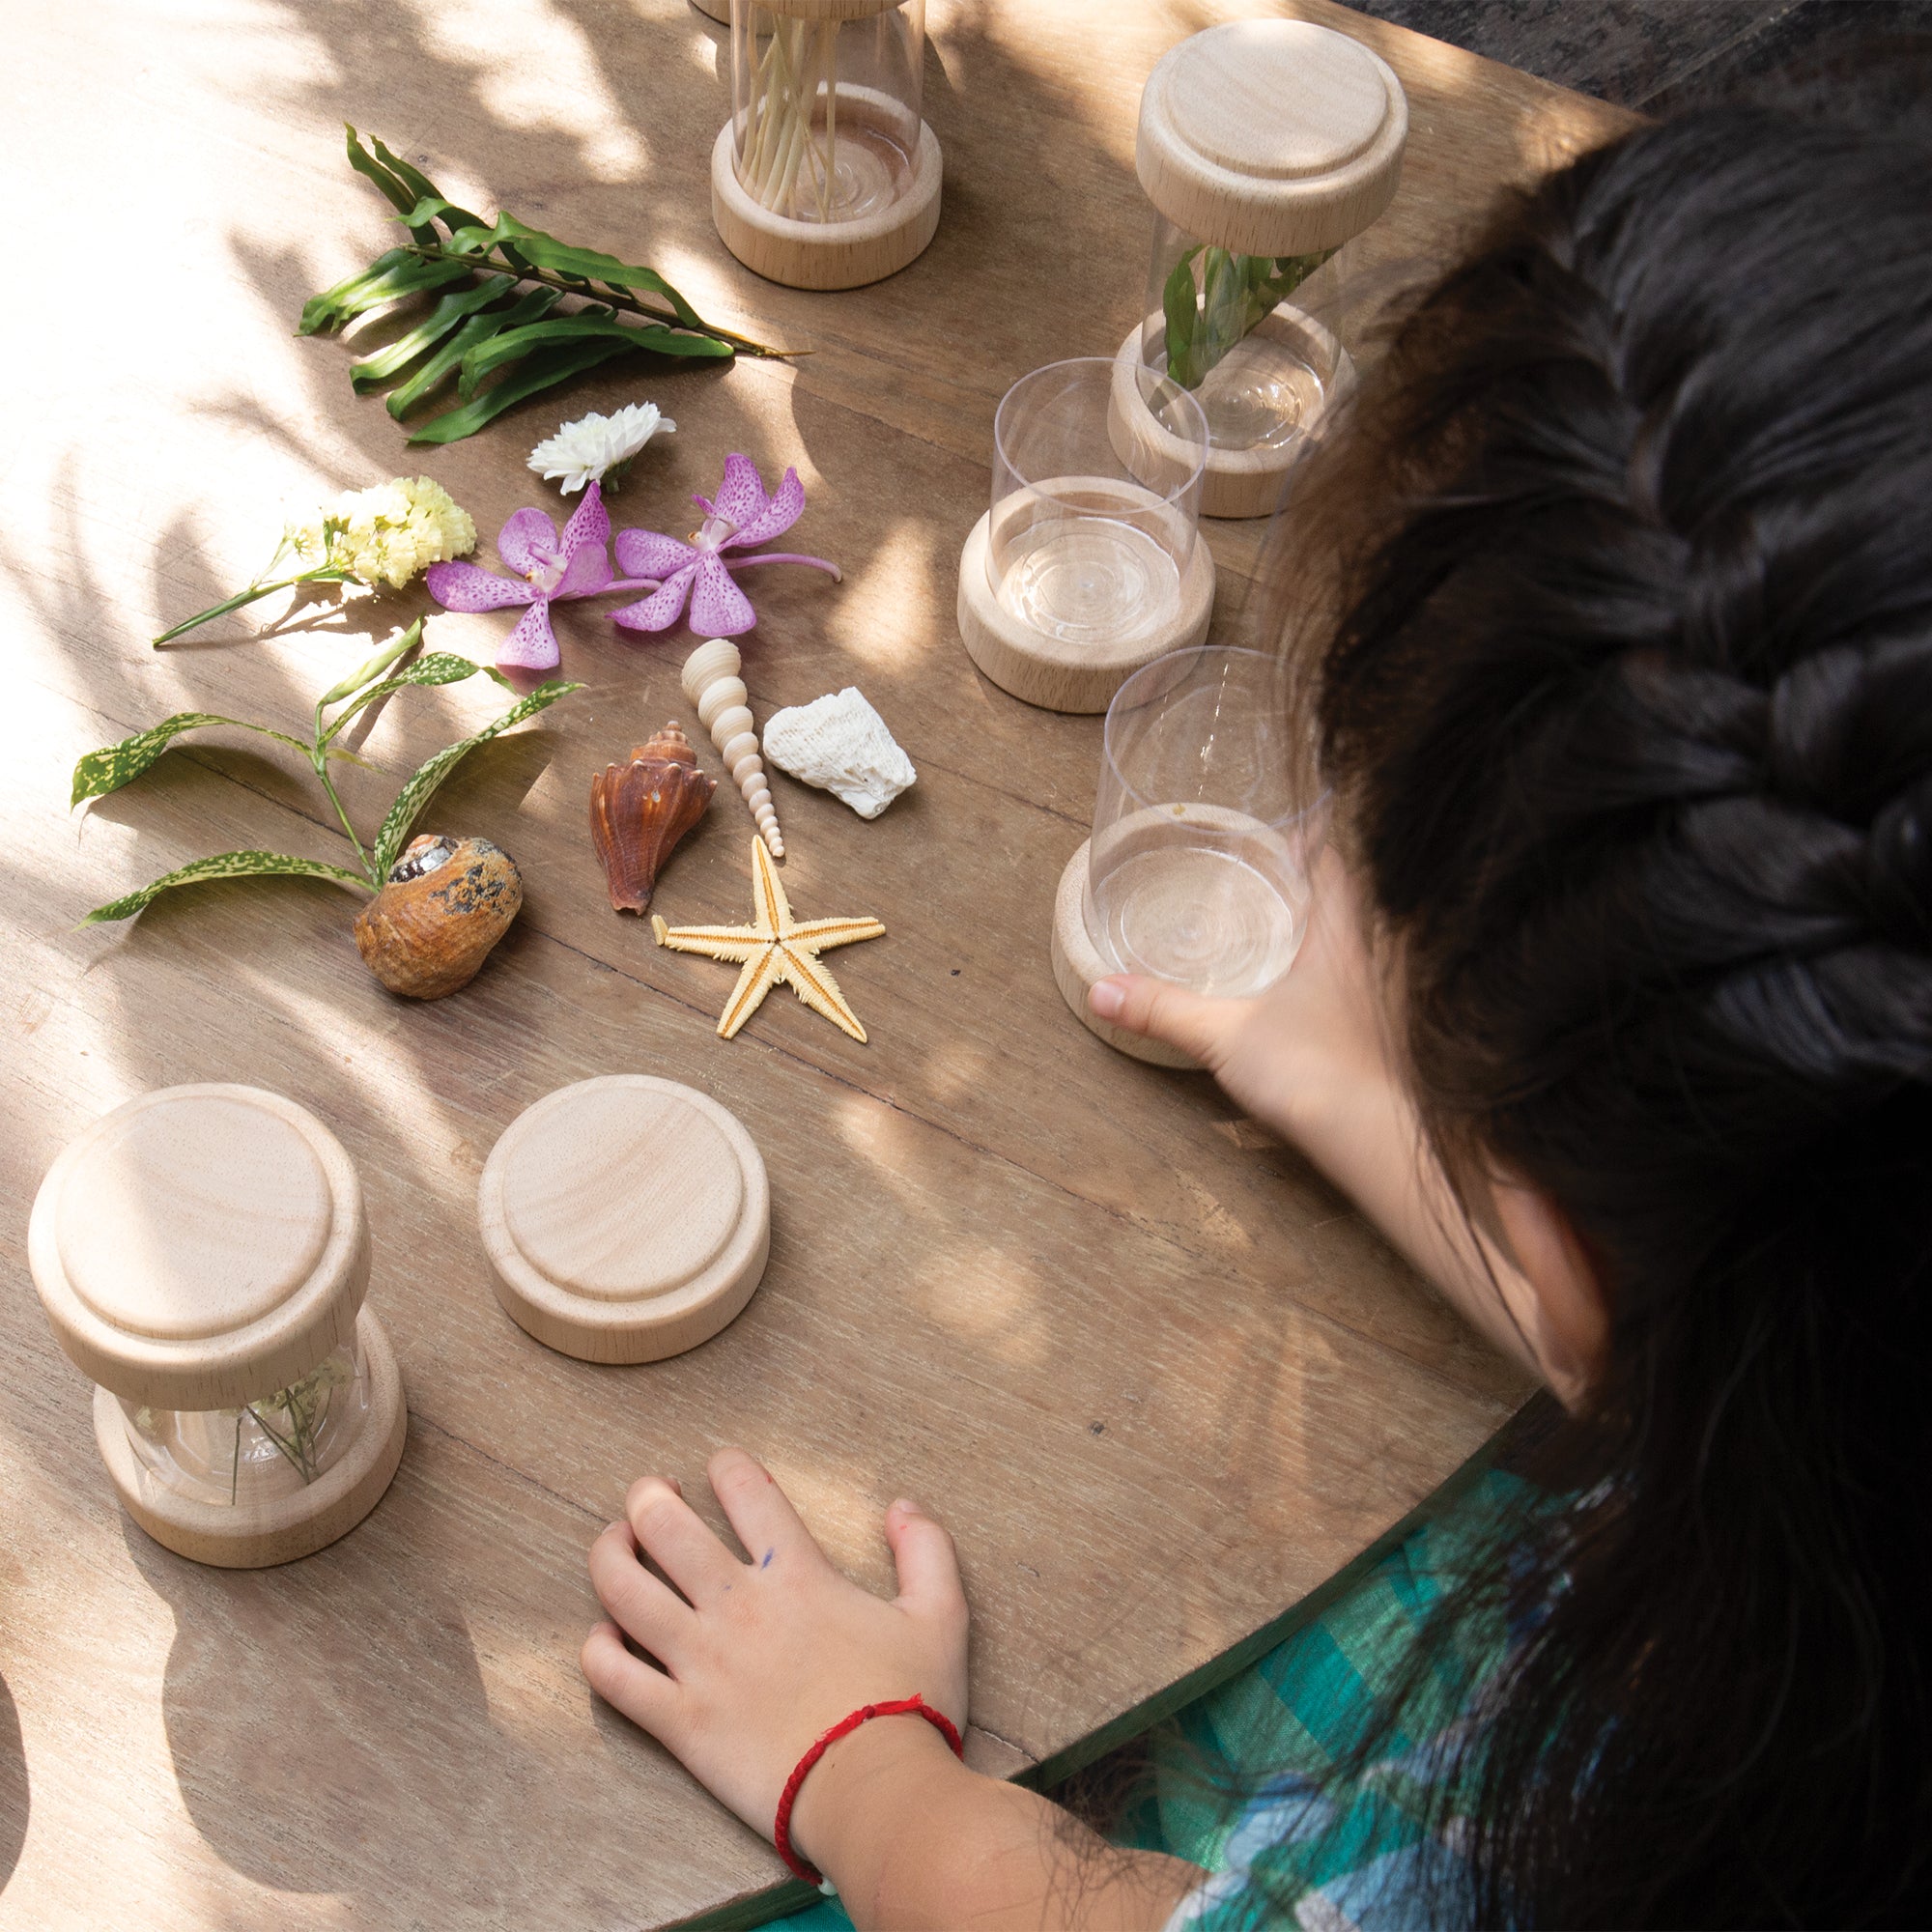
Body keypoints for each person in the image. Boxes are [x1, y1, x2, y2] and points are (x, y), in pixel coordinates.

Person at [579, 107, 1932, 1928]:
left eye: (1348, 845)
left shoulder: (1569, 1850)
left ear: (1566, 1265)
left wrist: (870, 1775)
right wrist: (1365, 1101)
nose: (1310, 839)